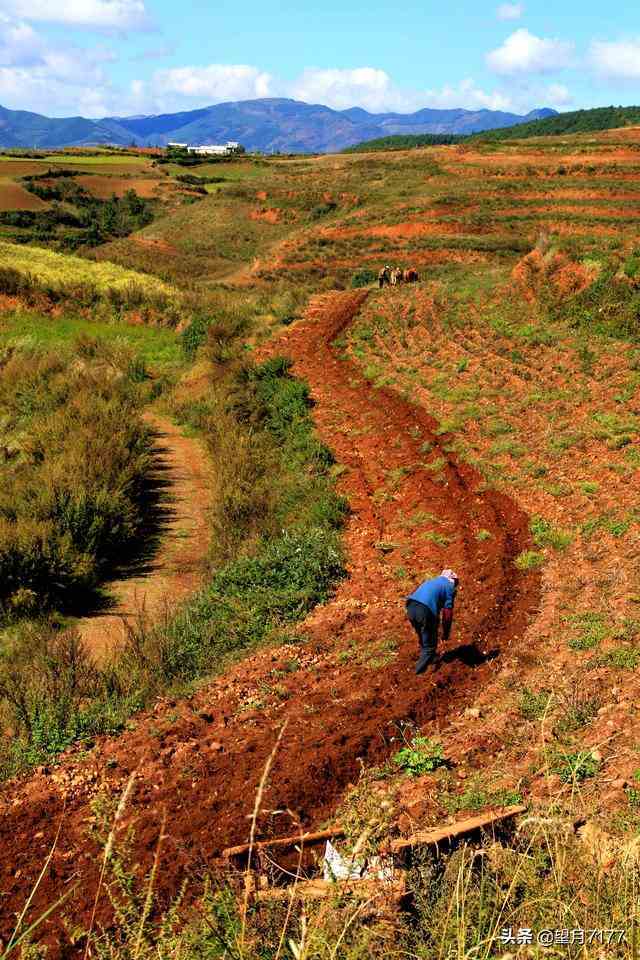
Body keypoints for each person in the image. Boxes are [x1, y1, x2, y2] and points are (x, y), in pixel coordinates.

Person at [406, 569, 459, 674]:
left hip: (410, 607)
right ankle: (419, 672)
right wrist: (446, 633)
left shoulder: (431, 582)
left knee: (423, 635)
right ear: (452, 580)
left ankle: (431, 658)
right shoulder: (449, 586)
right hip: (424, 610)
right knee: (430, 645)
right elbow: (447, 613)